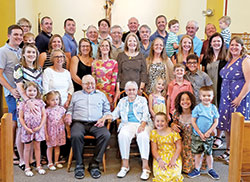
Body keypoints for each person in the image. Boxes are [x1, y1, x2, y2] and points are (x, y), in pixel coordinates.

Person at [102, 81, 152, 180]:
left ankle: (145, 167)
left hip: (141, 123)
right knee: (123, 135)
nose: (131, 92)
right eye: (129, 90)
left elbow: (146, 114)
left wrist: (142, 125)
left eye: (134, 89)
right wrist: (104, 118)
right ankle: (125, 166)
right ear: (125, 91)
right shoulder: (122, 101)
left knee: (143, 136)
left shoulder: (142, 100)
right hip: (127, 124)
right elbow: (115, 114)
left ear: (137, 90)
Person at [64, 75, 111, 179]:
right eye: (87, 83)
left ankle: (94, 164)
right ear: (82, 84)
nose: (90, 85)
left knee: (106, 135)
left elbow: (108, 111)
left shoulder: (101, 95)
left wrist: (103, 119)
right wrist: (68, 114)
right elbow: (70, 109)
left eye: (92, 83)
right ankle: (79, 165)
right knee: (75, 135)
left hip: (96, 123)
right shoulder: (76, 95)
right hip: (79, 123)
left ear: (95, 84)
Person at [217, 36, 250, 164]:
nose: (234, 47)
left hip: (238, 98)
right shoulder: (230, 59)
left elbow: (249, 82)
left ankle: (237, 154)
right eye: (232, 45)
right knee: (227, 125)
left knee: (237, 126)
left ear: (242, 47)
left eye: (237, 45)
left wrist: (239, 98)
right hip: (226, 98)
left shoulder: (245, 60)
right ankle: (228, 150)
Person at [14, 44, 43, 170]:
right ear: (24, 54)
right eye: (29, 52)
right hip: (24, 103)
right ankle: (22, 159)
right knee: (22, 131)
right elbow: (19, 86)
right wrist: (27, 101)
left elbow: (40, 87)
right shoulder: (18, 68)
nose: (31, 54)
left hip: (36, 103)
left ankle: (30, 158)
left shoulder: (39, 69)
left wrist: (38, 102)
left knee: (34, 129)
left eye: (33, 52)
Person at [0, 24, 23, 164]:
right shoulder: (3, 51)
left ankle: (20, 149)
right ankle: (10, 150)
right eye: (15, 34)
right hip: (12, 93)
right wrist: (11, 89)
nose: (18, 37)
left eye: (20, 35)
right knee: (13, 122)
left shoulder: (21, 51)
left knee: (20, 122)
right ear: (9, 36)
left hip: (22, 92)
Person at [188, 86, 220, 180]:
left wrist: (209, 132)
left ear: (212, 96)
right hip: (198, 135)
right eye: (204, 96)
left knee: (209, 153)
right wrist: (200, 133)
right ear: (200, 97)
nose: (206, 98)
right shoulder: (198, 108)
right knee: (198, 153)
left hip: (208, 136)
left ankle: (211, 169)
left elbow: (216, 121)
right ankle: (197, 169)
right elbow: (193, 121)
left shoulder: (213, 108)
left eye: (209, 95)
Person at [18, 81, 46, 177]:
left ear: (37, 92)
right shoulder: (23, 104)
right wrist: (26, 128)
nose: (32, 92)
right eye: (29, 90)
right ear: (25, 91)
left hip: (38, 129)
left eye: (34, 90)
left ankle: (38, 165)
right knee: (27, 148)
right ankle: (27, 167)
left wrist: (40, 126)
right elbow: (21, 117)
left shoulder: (40, 103)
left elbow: (43, 115)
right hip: (27, 130)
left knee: (37, 147)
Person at [150, 112, 183, 182]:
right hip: (160, 155)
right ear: (154, 122)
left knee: (175, 173)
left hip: (173, 154)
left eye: (162, 121)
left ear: (166, 122)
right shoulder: (154, 133)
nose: (160, 123)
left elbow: (179, 147)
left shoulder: (173, 132)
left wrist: (174, 159)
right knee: (160, 174)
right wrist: (159, 160)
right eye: (157, 121)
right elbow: (154, 150)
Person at [115, 33, 147, 100]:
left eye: (134, 41)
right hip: (123, 90)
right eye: (130, 41)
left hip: (137, 90)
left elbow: (143, 74)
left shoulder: (141, 56)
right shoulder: (120, 56)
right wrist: (117, 90)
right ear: (126, 43)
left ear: (137, 43)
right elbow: (118, 74)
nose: (132, 43)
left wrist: (140, 89)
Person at [172, 91, 196, 174]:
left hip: (194, 142)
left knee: (190, 167)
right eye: (182, 99)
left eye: (188, 99)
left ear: (191, 101)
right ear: (179, 102)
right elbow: (173, 123)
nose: (185, 101)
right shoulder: (177, 114)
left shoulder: (196, 113)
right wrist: (172, 125)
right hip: (181, 142)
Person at [201, 32, 227, 107]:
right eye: (214, 41)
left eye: (218, 41)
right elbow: (203, 72)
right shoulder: (206, 57)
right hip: (209, 87)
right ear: (211, 44)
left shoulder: (227, 57)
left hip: (221, 87)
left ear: (222, 43)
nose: (216, 43)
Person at [44, 91, 66, 171]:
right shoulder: (46, 111)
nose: (55, 101)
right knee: (50, 147)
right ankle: (50, 162)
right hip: (51, 132)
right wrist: (45, 134)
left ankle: (56, 161)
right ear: (48, 101)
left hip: (59, 131)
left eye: (57, 99)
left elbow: (64, 120)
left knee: (57, 146)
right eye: (52, 100)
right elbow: (45, 124)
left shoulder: (61, 109)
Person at [92, 39, 118, 105]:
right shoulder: (94, 63)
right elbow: (93, 80)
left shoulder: (114, 63)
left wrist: (110, 95)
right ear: (99, 48)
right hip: (97, 93)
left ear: (109, 48)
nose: (104, 47)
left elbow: (114, 80)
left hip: (109, 94)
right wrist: (95, 93)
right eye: (102, 46)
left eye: (107, 46)